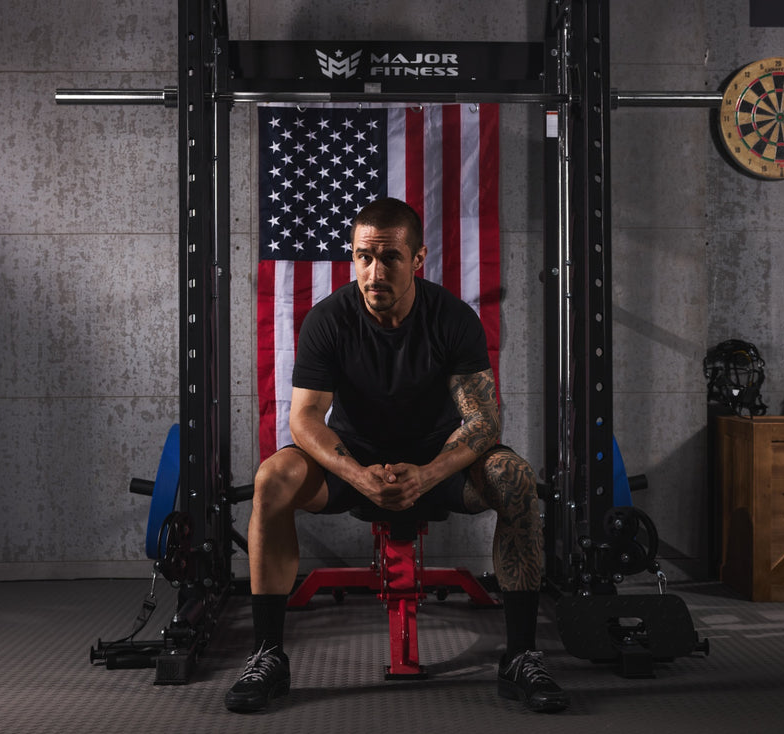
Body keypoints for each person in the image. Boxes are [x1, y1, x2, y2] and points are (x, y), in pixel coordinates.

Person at [225, 197, 568, 714]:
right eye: (364, 256)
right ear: (352, 257)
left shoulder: (452, 318)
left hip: (438, 461)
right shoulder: (329, 319)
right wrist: (359, 476)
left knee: (513, 477)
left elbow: (482, 421)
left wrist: (427, 475)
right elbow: (305, 418)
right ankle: (267, 655)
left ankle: (520, 656)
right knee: (272, 478)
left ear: (418, 259)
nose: (374, 270)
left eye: (389, 258)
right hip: (352, 459)